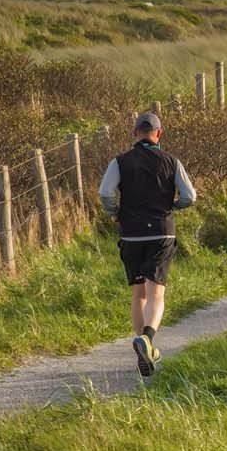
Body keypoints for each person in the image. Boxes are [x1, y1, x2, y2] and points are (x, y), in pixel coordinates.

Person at [97, 112, 197, 377]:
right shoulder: (171, 161)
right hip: (161, 233)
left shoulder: (119, 162)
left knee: (138, 294)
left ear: (134, 134)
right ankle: (148, 340)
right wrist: (173, 205)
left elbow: (105, 192)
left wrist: (114, 212)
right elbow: (190, 196)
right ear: (159, 134)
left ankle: (143, 347)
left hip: (130, 233)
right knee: (156, 294)